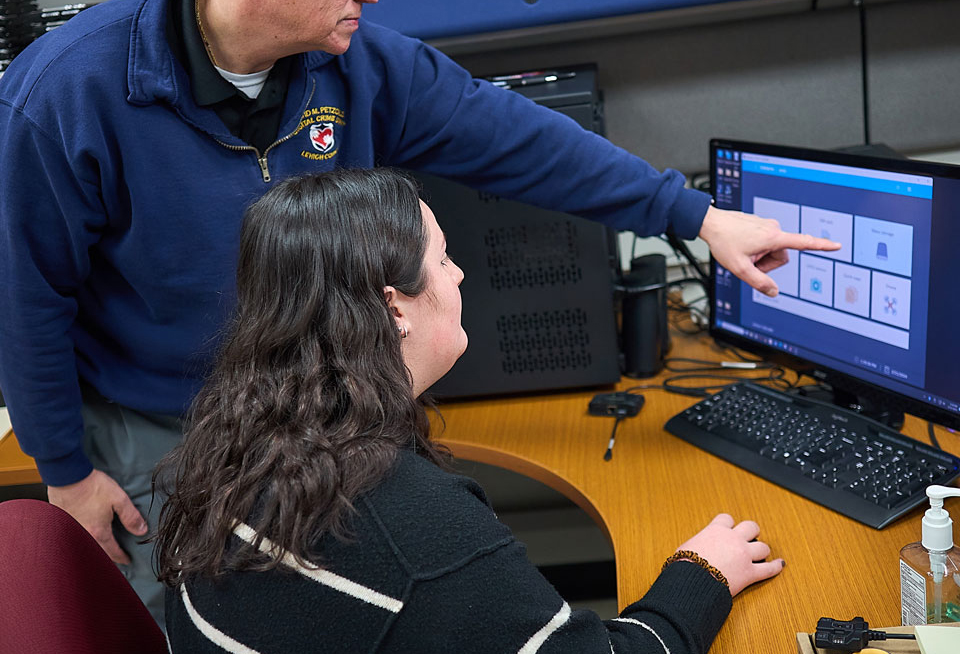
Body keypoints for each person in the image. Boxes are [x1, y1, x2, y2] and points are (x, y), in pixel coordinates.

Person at [0, 0, 837, 623]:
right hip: (165, 420)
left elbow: (516, 140)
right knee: (210, 627)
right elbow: (24, 298)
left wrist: (693, 216)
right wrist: (67, 473)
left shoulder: (356, 66)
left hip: (331, 412)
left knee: (372, 611)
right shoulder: (69, 92)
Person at [155, 168, 784, 653]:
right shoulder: (407, 526)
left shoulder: (241, 446)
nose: (458, 278)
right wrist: (703, 573)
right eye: (443, 259)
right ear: (393, 307)